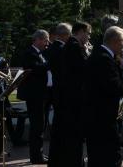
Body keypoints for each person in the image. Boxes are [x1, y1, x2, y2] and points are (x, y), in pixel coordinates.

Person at [83, 26, 123, 167]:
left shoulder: (102, 55)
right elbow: (114, 86)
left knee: (100, 155)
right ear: (115, 41)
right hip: (102, 116)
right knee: (109, 155)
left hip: (98, 115)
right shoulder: (104, 59)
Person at [51, 20, 92, 167]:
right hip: (74, 98)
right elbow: (84, 69)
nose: (88, 37)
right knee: (75, 135)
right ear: (80, 32)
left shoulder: (72, 45)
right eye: (87, 33)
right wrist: (88, 53)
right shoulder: (74, 46)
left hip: (69, 97)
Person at [17, 29, 53, 164]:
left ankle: (40, 153)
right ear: (37, 40)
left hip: (44, 94)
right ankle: (36, 156)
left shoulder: (41, 53)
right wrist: (51, 62)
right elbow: (37, 69)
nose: (47, 43)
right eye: (45, 40)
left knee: (41, 126)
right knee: (37, 126)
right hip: (35, 96)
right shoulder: (29, 53)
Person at [46, 22, 71, 164]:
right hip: (63, 92)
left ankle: (55, 159)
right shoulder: (62, 49)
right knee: (62, 128)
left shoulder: (52, 48)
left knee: (57, 127)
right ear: (65, 35)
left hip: (56, 91)